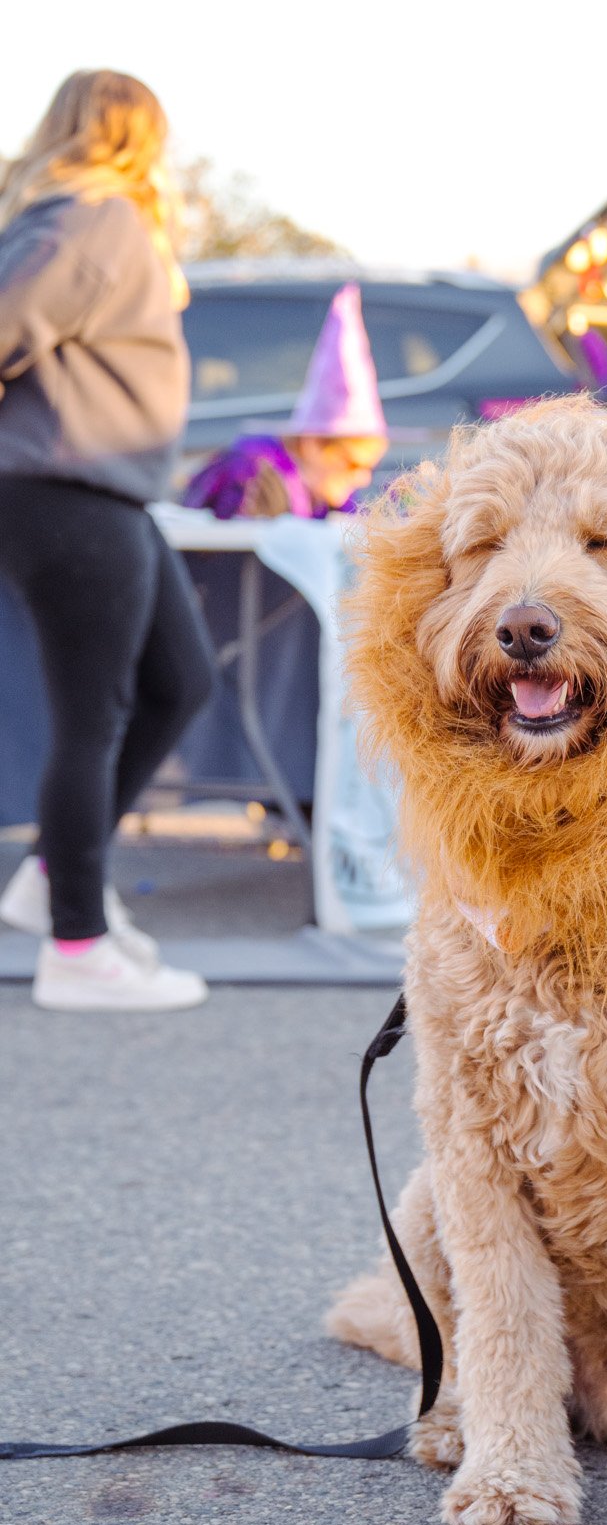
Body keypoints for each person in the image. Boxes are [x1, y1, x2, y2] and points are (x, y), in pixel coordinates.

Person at [0, 71, 214, 1011]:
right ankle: (76, 952)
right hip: (65, 487)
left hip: (104, 489)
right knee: (95, 718)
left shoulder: (93, 220)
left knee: (181, 682)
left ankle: (52, 881)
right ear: (139, 136)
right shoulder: (91, 217)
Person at [184, 282, 389, 519]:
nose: (363, 478)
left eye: (369, 467)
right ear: (312, 445)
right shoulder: (253, 478)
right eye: (352, 464)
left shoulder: (325, 492)